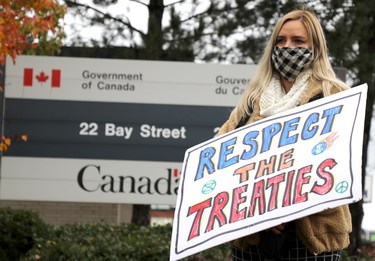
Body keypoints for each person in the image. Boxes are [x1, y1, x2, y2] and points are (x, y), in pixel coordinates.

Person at [216, 7, 352, 261]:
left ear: (315, 47)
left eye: (298, 40)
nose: (287, 46)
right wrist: (259, 213)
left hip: (314, 239)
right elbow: (220, 158)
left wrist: (284, 207)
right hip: (253, 238)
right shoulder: (252, 101)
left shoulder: (335, 95)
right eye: (281, 40)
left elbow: (339, 165)